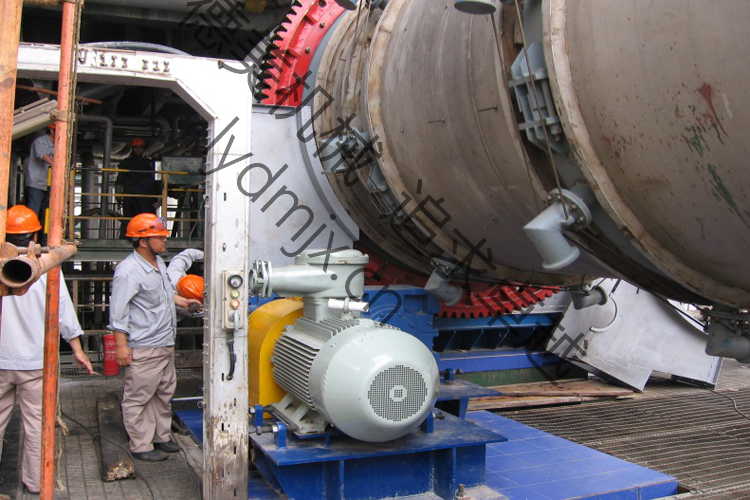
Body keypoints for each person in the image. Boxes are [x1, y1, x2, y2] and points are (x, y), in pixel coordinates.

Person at [0, 205, 94, 495]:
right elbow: (62, 309)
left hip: (1, 361)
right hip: (35, 363)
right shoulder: (45, 264)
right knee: (37, 427)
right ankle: (36, 482)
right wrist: (77, 348)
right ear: (35, 236)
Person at [108, 213, 201, 462]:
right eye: (159, 237)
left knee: (163, 392)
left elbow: (164, 294)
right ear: (142, 241)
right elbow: (118, 313)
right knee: (139, 396)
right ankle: (141, 445)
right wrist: (121, 346)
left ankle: (161, 437)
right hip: (144, 346)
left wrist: (183, 301)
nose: (164, 240)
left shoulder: (158, 263)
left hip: (164, 342)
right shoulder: (129, 271)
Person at [116, 138, 160, 238]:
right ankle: (127, 238)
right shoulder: (126, 162)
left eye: (140, 148)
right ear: (133, 149)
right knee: (129, 219)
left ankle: (143, 237)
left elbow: (155, 180)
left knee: (142, 218)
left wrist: (158, 197)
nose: (138, 150)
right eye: (136, 148)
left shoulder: (148, 163)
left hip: (143, 196)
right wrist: (118, 195)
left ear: (143, 149)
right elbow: (120, 180)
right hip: (132, 196)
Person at [24, 124, 55, 224]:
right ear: (52, 131)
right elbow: (43, 155)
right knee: (33, 212)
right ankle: (30, 233)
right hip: (37, 184)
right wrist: (53, 163)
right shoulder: (40, 141)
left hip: (51, 186)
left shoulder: (59, 144)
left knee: (46, 214)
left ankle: (43, 234)